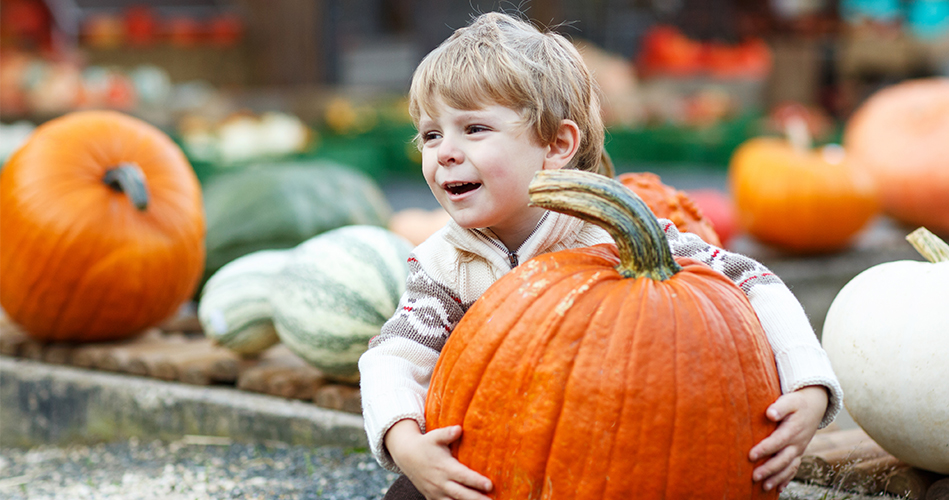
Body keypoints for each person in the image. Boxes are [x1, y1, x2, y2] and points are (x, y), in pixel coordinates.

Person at [359, 11, 842, 500]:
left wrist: (808, 386)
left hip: (615, 456)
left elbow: (753, 281)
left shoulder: (615, 235)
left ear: (557, 144)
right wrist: (406, 443)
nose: (444, 152)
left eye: (474, 129)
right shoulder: (446, 265)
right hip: (489, 466)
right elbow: (395, 355)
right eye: (431, 134)